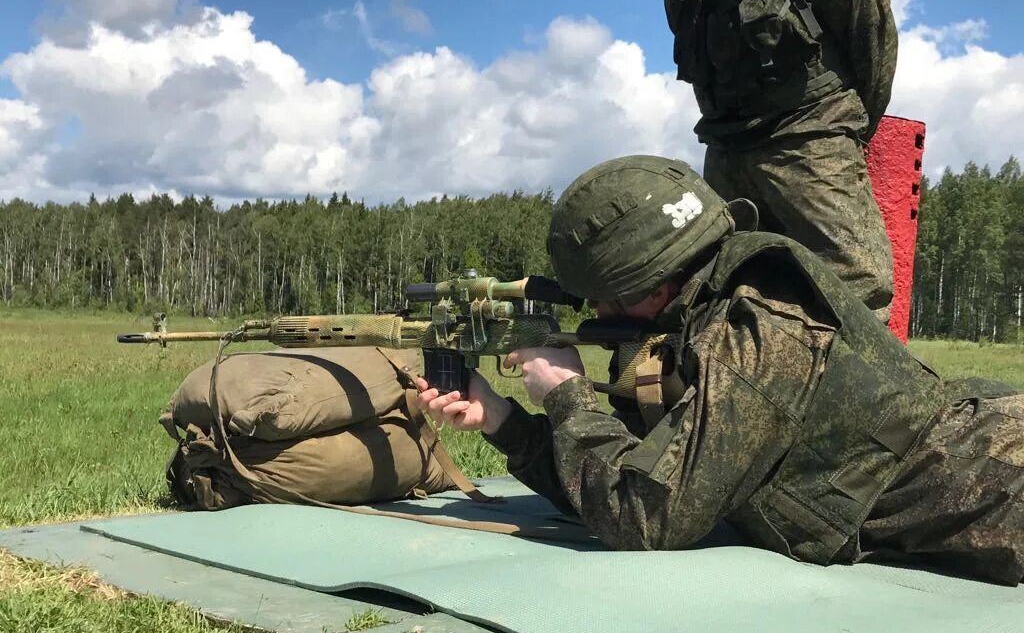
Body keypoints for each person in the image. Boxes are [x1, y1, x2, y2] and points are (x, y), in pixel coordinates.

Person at [415, 155, 1024, 585]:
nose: (596, 313)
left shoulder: (760, 328)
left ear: (653, 277)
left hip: (998, 487)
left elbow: (648, 517)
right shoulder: (688, 319)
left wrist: (569, 394)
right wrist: (501, 420)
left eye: (604, 296)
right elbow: (620, 480)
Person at [646, 0, 898, 320]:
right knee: (730, 301)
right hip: (750, 142)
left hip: (801, 132)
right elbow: (869, 17)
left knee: (850, 300)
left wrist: (843, 122)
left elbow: (865, 14)